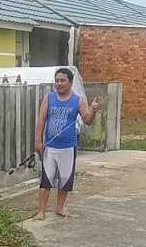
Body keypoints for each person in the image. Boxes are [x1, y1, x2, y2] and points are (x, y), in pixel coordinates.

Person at [35, 67, 100, 220]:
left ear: (70, 83)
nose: (59, 83)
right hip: (50, 147)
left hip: (68, 147)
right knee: (46, 180)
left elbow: (87, 121)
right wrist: (38, 140)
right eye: (57, 80)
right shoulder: (49, 98)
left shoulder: (77, 100)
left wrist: (93, 110)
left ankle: (60, 208)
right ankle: (41, 211)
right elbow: (41, 120)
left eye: (63, 80)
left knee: (65, 179)